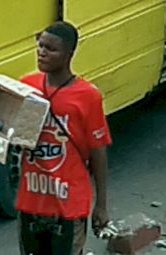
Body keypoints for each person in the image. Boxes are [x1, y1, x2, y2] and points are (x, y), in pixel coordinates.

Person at [16, 22, 111, 255]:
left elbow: (98, 151)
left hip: (69, 204)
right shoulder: (27, 86)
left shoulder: (87, 96)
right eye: (40, 46)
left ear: (69, 54)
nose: (42, 52)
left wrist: (101, 205)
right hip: (31, 201)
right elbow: (21, 138)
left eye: (51, 49)